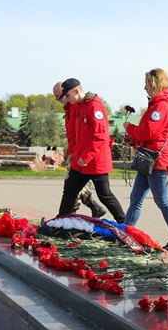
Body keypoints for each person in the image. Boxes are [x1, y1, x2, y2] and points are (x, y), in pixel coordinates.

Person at [123, 69, 168, 250]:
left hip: (157, 160)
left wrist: (130, 128)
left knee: (161, 200)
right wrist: (134, 139)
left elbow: (149, 132)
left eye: (147, 84)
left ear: (155, 84)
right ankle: (124, 234)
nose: (145, 87)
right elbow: (152, 135)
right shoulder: (158, 104)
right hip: (149, 158)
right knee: (136, 198)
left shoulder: (161, 106)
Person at [53, 78, 126, 222]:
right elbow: (75, 135)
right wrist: (72, 153)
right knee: (70, 190)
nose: (65, 99)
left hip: (96, 161)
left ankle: (124, 223)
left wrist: (86, 156)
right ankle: (60, 222)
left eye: (67, 95)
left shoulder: (94, 106)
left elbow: (100, 137)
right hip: (80, 161)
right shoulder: (78, 106)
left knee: (104, 195)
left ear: (76, 91)